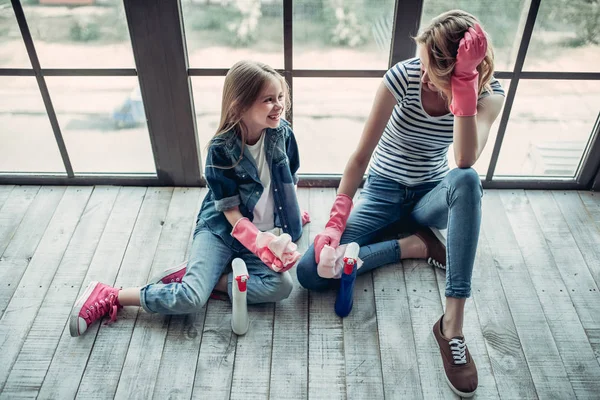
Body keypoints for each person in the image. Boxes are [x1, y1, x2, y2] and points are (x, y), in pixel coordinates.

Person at [296, 10, 505, 398]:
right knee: (309, 272)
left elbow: (464, 158)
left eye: (430, 68)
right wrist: (334, 224)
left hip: (431, 197)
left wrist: (463, 89)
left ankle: (452, 326)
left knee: (467, 179)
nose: (421, 73)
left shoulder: (488, 94)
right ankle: (412, 246)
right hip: (383, 192)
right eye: (421, 62)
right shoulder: (402, 77)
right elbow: (360, 156)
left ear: (456, 73)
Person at [70, 60, 308, 338]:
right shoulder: (221, 149)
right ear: (240, 106)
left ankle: (209, 280)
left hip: (262, 234)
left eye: (280, 97)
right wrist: (259, 241)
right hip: (223, 231)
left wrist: (288, 214)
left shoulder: (284, 134)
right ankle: (113, 294)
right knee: (191, 300)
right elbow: (229, 210)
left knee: (282, 287)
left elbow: (289, 178)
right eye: (268, 99)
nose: (279, 105)